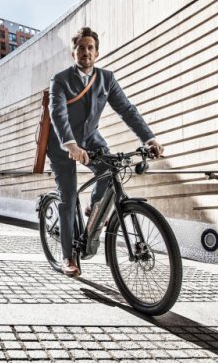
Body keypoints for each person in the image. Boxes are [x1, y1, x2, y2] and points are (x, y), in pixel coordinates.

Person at [47, 27, 164, 277]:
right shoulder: (60, 80)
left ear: (97, 53)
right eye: (81, 47)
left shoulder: (106, 79)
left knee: (110, 170)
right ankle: (69, 256)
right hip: (62, 144)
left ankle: (93, 207)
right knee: (68, 198)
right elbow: (57, 114)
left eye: (90, 48)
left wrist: (149, 139)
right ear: (73, 53)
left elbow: (127, 110)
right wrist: (70, 145)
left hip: (90, 140)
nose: (86, 52)